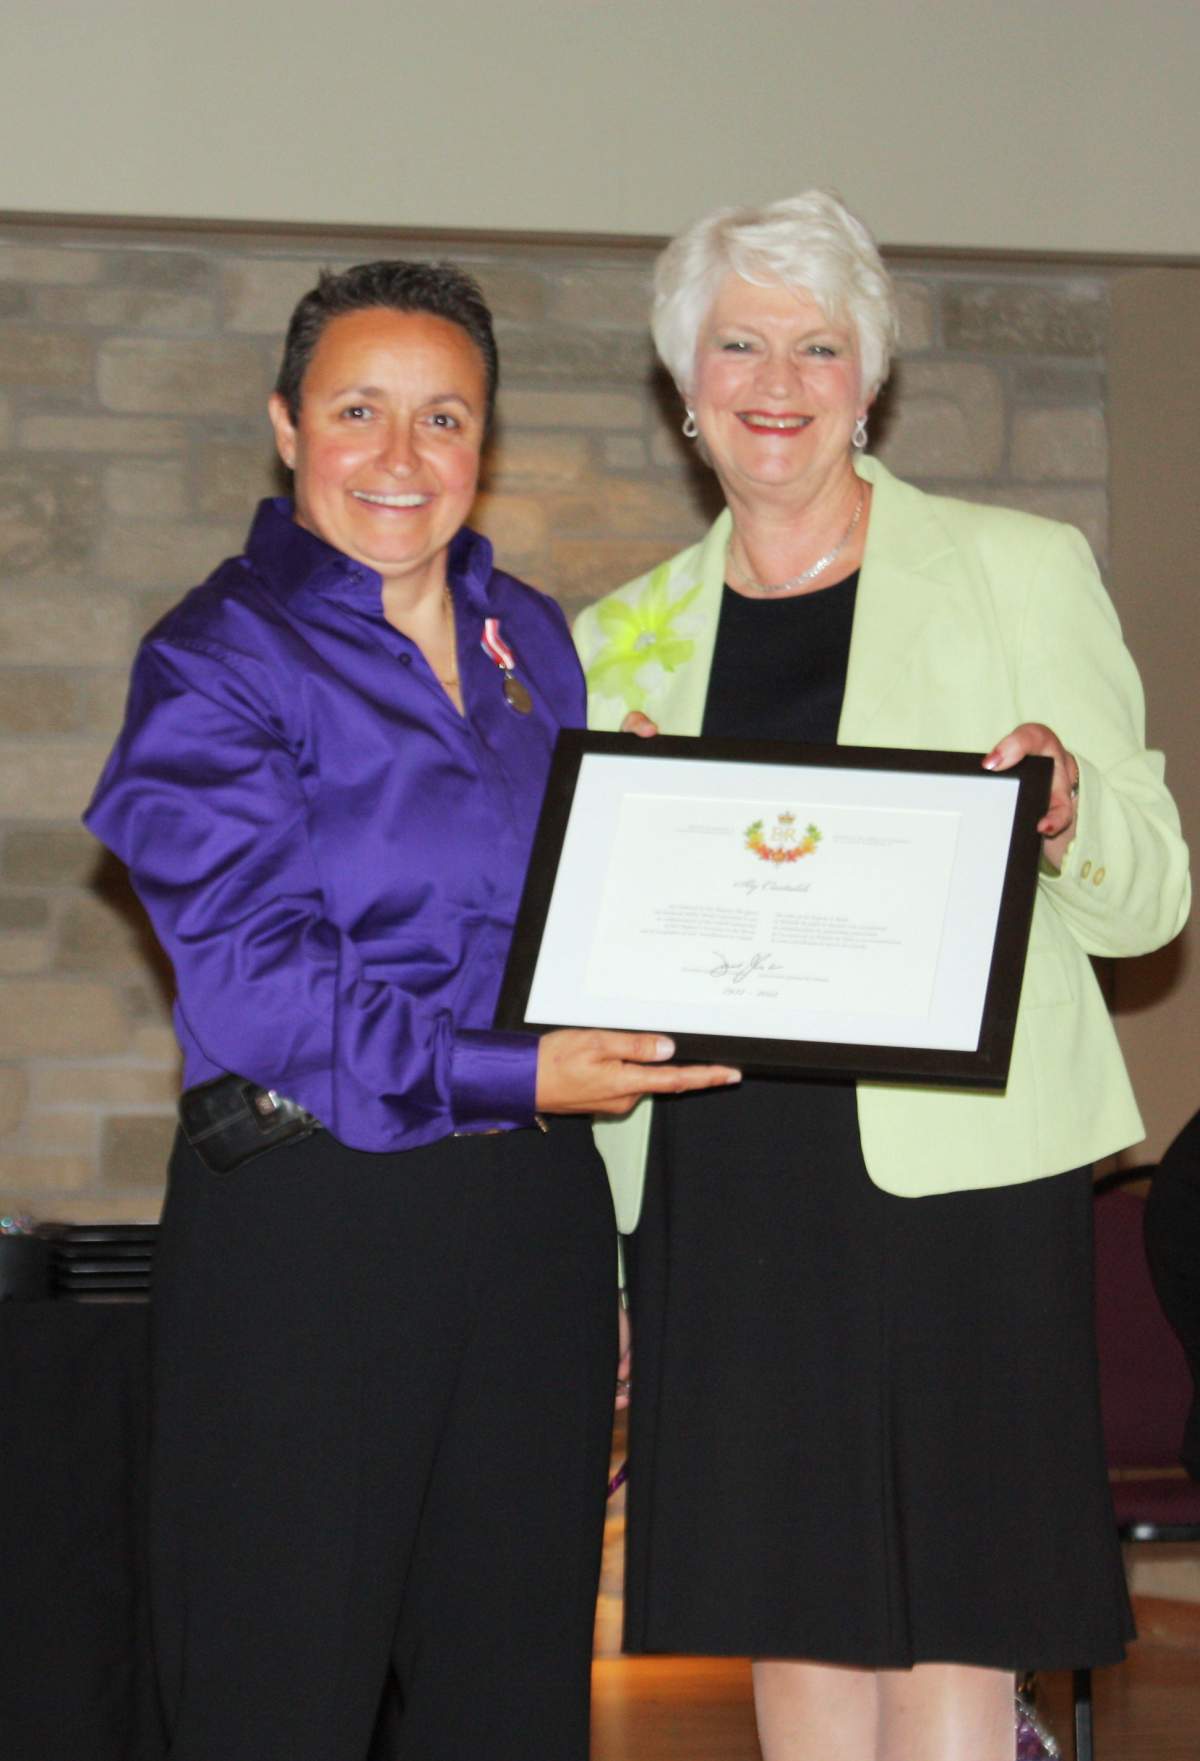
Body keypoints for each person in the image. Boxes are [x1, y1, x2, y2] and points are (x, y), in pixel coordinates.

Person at [84, 259, 737, 1761]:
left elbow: (567, 939)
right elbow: (260, 976)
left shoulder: (535, 645)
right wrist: (520, 1074)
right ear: (286, 426)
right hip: (312, 1227)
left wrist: (662, 850)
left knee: (510, 1701)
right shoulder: (215, 655)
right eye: (357, 410)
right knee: (275, 1696)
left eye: (443, 416)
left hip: (530, 1223)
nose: (401, 453)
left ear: (482, 442)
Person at [574, 193, 1191, 1761]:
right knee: (795, 1615)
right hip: (726, 1173)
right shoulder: (619, 640)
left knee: (956, 1631)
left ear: (870, 378)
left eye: (819, 346)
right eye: (741, 345)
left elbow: (1155, 898)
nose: (778, 381)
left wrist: (1064, 808)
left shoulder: (1016, 570)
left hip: (959, 1178)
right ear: (686, 382)